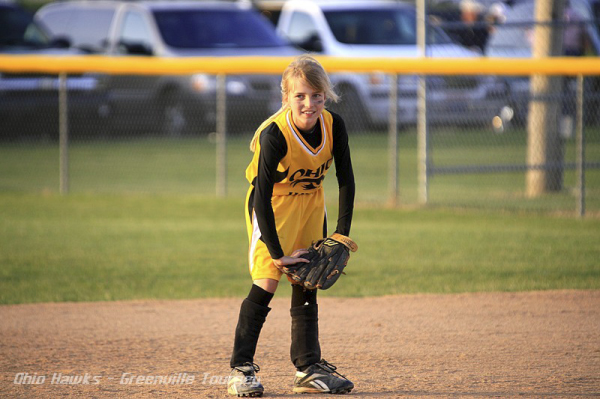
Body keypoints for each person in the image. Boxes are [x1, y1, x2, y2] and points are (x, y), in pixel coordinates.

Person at [227, 54, 356, 397]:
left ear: (325, 96)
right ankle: (241, 370)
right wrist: (276, 252)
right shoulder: (275, 135)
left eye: (316, 95)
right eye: (300, 95)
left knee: (307, 280)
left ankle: (308, 367)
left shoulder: (333, 125)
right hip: (273, 208)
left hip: (312, 204)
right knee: (267, 281)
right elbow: (262, 196)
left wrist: (341, 234)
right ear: (285, 98)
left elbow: (346, 180)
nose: (309, 103)